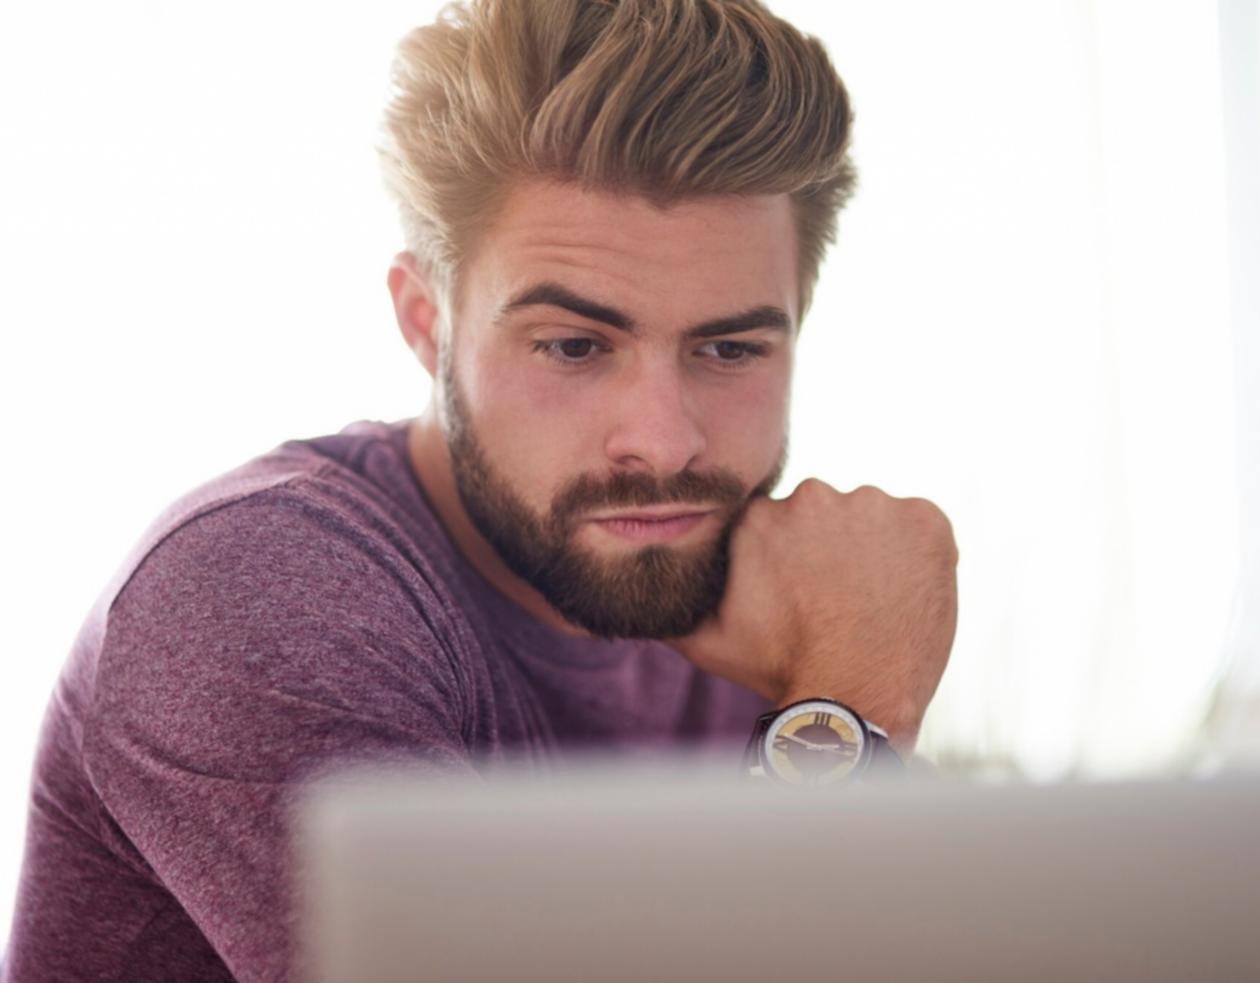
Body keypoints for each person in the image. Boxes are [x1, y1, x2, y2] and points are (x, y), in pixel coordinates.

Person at [1, 0, 958, 979]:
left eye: (729, 347)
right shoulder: (257, 590)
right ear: (427, 322)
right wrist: (851, 711)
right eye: (576, 346)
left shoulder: (743, 602)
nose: (664, 439)